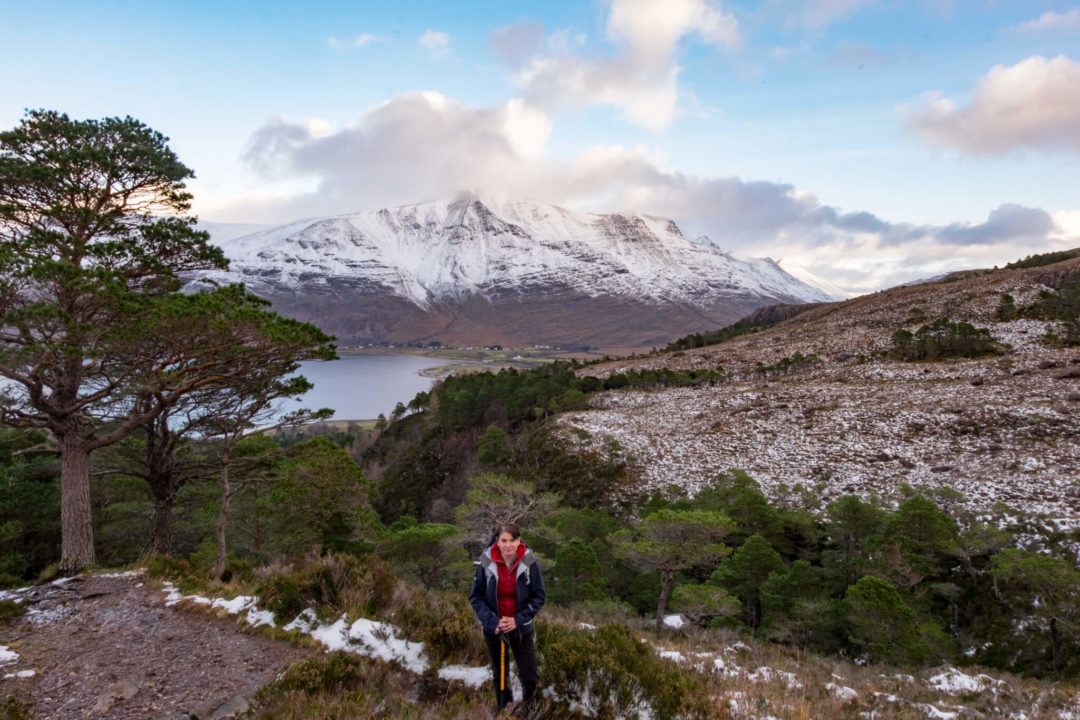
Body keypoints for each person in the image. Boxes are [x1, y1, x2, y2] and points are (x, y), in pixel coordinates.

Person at [469, 522, 546, 714]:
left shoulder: (529, 562)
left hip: (520, 629)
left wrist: (517, 620)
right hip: (495, 629)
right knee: (500, 676)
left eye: (512, 540)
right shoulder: (487, 561)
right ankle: (504, 710)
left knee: (529, 676)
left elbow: (539, 596)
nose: (508, 545)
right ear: (497, 541)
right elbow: (476, 597)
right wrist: (492, 621)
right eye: (504, 540)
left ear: (519, 541)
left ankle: (531, 712)